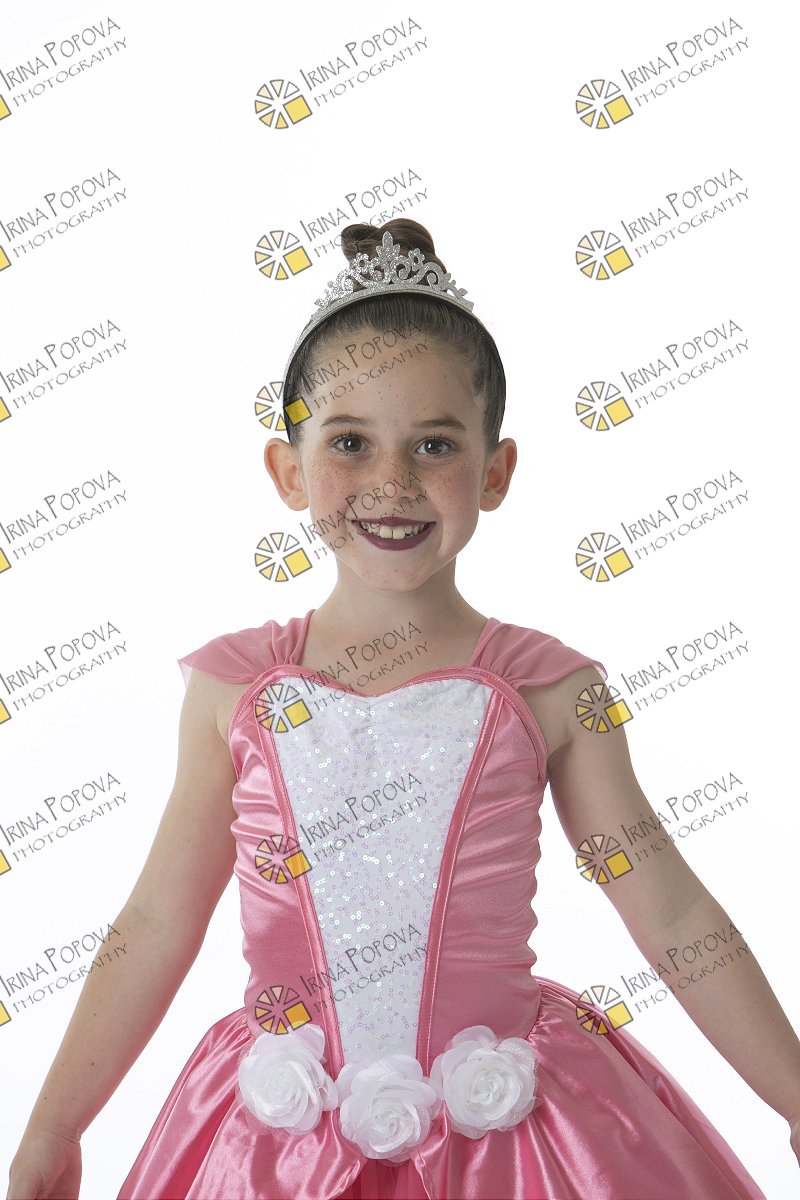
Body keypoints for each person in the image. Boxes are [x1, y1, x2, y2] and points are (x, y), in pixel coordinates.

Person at [6, 218, 799, 1200]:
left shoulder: (552, 691)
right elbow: (159, 919)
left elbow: (666, 906)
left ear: (495, 472)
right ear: (288, 470)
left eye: (434, 445)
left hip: (506, 1136)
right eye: (350, 443)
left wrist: (794, 1098)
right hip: (278, 1145)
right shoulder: (234, 690)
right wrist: (53, 1125)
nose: (391, 482)